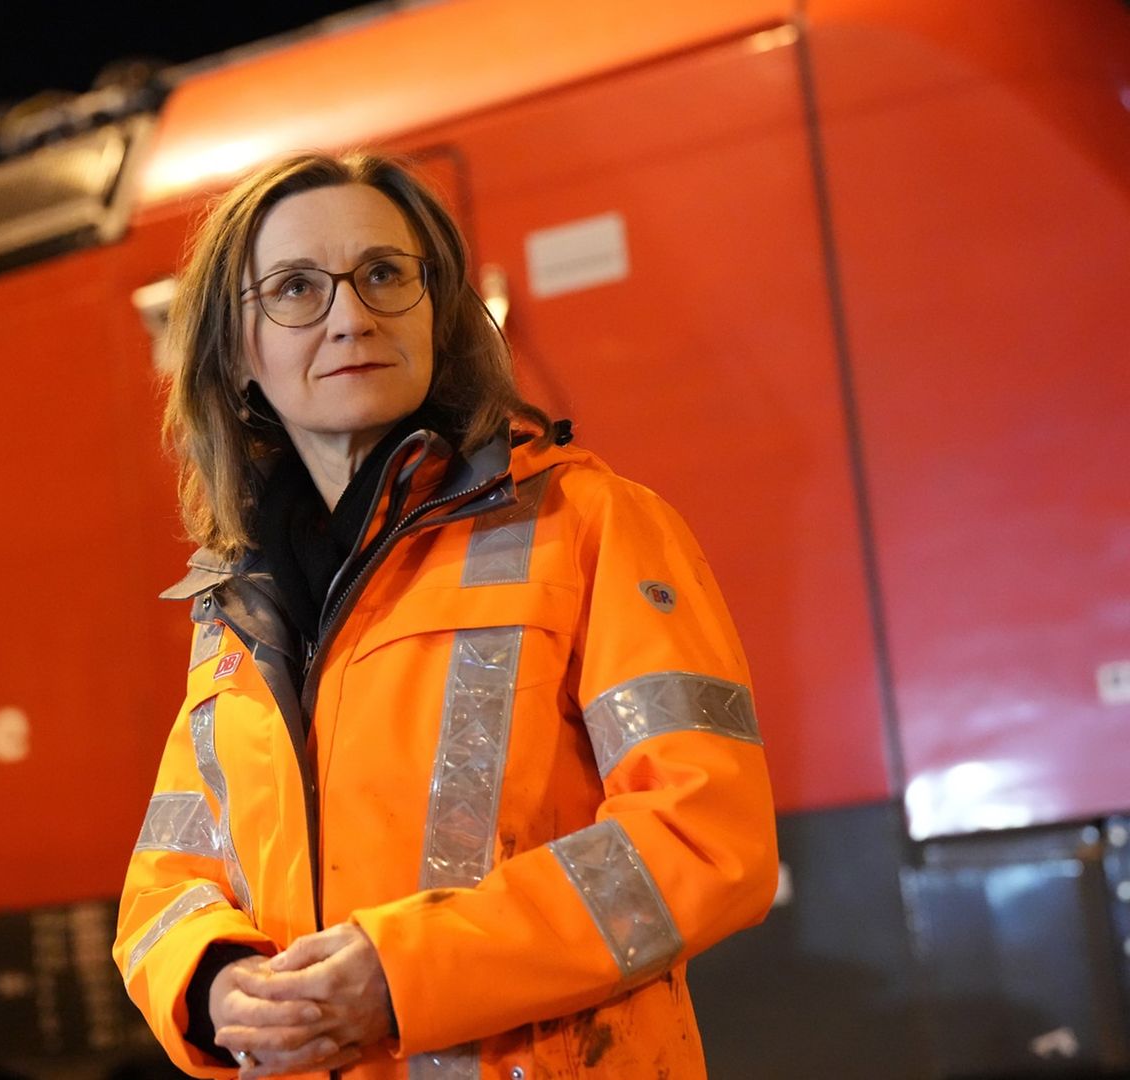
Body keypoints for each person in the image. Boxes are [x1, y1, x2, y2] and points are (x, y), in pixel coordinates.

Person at [113, 151, 778, 1080]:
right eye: (297, 288)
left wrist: (402, 974)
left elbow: (708, 835)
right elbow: (167, 881)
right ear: (238, 352)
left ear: (440, 311)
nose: (352, 316)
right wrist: (217, 981)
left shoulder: (589, 524)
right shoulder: (235, 610)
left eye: (385, 274)